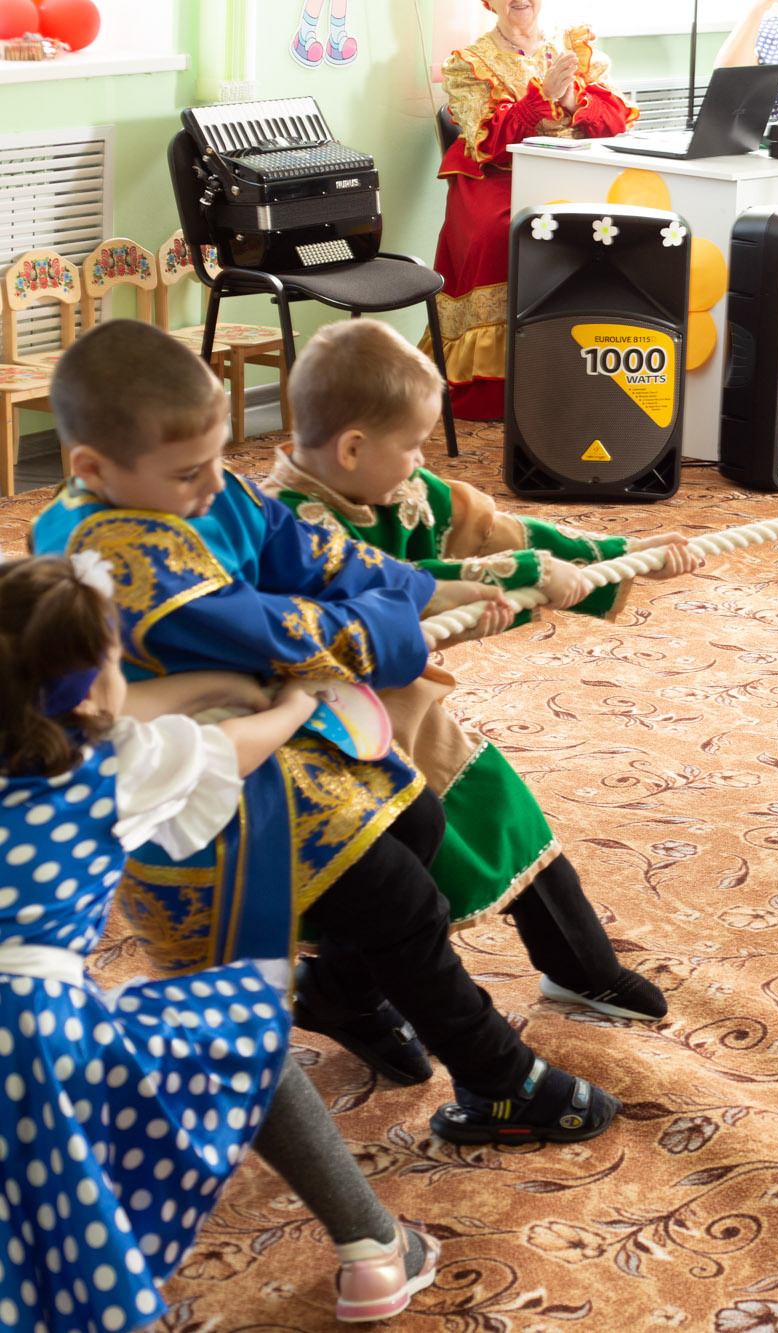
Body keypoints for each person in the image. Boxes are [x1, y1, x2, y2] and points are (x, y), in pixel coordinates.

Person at [31, 320, 622, 1145]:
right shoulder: (112, 546)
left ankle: (341, 989)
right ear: (93, 468)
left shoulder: (186, 486)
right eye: (188, 473)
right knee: (395, 896)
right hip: (197, 795)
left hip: (265, 745)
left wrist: (422, 589)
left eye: (216, 460)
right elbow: (267, 628)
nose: (212, 488)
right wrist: (398, 624)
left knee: (418, 816)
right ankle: (500, 1080)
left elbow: (300, 548)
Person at [0, 554, 441, 1328]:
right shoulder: (113, 768)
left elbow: (107, 697)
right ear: (98, 681)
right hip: (35, 1029)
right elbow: (234, 746)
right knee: (238, 1021)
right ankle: (372, 1243)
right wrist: (295, 704)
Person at [263, 320, 704, 1062]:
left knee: (502, 811)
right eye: (412, 446)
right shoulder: (288, 528)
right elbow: (388, 600)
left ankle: (581, 969)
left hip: (409, 711)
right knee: (390, 879)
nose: (420, 464)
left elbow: (494, 530)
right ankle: (341, 996)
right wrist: (507, 583)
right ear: (351, 448)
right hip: (330, 735)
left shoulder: (401, 485)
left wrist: (622, 557)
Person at [433, 0, 637, 421]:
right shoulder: (467, 62)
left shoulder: (574, 46)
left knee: (625, 223)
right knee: (503, 231)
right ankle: (500, 385)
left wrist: (572, 98)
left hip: (570, 172)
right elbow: (485, 139)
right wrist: (541, 100)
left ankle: (595, 362)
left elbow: (616, 118)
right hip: (499, 178)